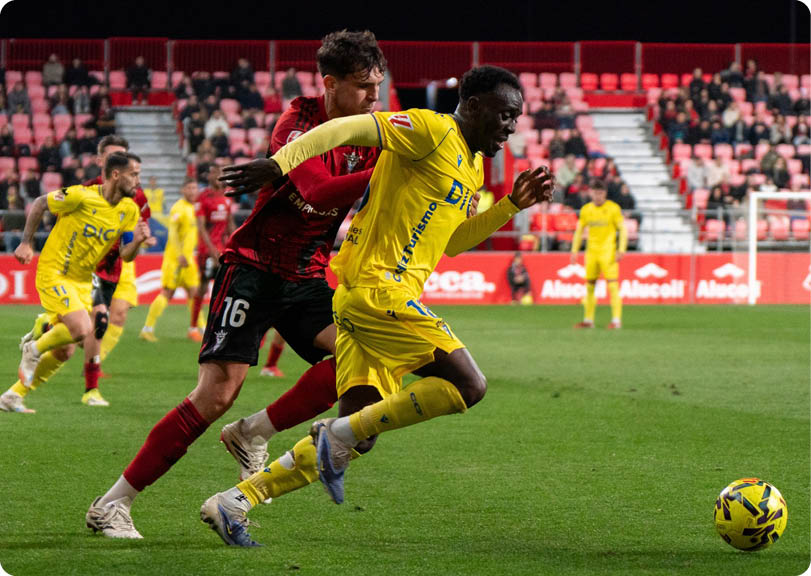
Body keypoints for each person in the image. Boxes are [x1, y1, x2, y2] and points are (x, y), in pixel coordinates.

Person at [198, 64, 554, 547]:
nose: (511, 127)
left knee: (358, 435)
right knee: (468, 385)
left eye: (516, 118)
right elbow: (348, 127)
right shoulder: (430, 129)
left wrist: (510, 205)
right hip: (376, 290)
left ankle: (236, 500)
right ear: (472, 106)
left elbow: (451, 242)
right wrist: (284, 161)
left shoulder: (471, 165)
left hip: (372, 300)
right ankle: (331, 436)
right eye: (505, 114)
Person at [86, 29, 388, 540]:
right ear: (330, 84)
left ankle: (253, 433)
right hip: (253, 268)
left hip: (308, 274)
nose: (373, 98)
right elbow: (315, 188)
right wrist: (387, 176)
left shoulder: (372, 133)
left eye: (378, 86)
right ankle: (111, 504)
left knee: (360, 363)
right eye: (363, 87)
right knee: (215, 394)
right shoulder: (298, 123)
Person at [0, 153, 152, 414]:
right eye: (134, 174)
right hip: (55, 271)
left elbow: (126, 255)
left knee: (65, 351)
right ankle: (33, 347)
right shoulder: (81, 196)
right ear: (116, 174)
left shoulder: (129, 209)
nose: (138, 181)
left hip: (83, 279)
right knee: (83, 329)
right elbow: (39, 203)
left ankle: (13, 395)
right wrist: (26, 242)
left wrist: (137, 242)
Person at [86, 136, 153, 391]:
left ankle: (95, 365)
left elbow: (141, 223)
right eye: (115, 156)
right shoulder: (89, 190)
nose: (122, 162)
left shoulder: (136, 192)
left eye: (124, 155)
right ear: (101, 160)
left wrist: (141, 238)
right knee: (85, 326)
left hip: (124, 261)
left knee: (118, 315)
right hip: (93, 264)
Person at [140, 178, 201, 341]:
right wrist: (180, 254)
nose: (193, 191)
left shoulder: (194, 208)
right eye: (189, 188)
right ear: (183, 190)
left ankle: (197, 329)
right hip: (175, 259)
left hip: (189, 259)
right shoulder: (178, 208)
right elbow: (173, 233)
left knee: (194, 293)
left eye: (195, 188)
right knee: (167, 293)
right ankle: (147, 329)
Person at [571, 181, 627, 330]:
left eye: (600, 193)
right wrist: (574, 251)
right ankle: (588, 320)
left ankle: (616, 320)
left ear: (605, 193)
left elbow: (623, 229)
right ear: (591, 193)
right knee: (589, 287)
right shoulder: (586, 210)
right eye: (595, 193)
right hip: (592, 253)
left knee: (613, 286)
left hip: (608, 253)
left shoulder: (613, 209)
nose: (598, 196)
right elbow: (578, 231)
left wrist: (621, 249)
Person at [188, 165, 235, 341]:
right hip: (206, 251)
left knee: (225, 287)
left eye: (220, 173)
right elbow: (201, 227)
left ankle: (216, 325)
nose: (217, 176)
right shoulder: (203, 197)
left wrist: (235, 243)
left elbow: (230, 224)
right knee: (203, 285)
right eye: (214, 173)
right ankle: (193, 326)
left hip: (223, 249)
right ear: (209, 176)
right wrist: (211, 250)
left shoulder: (228, 196)